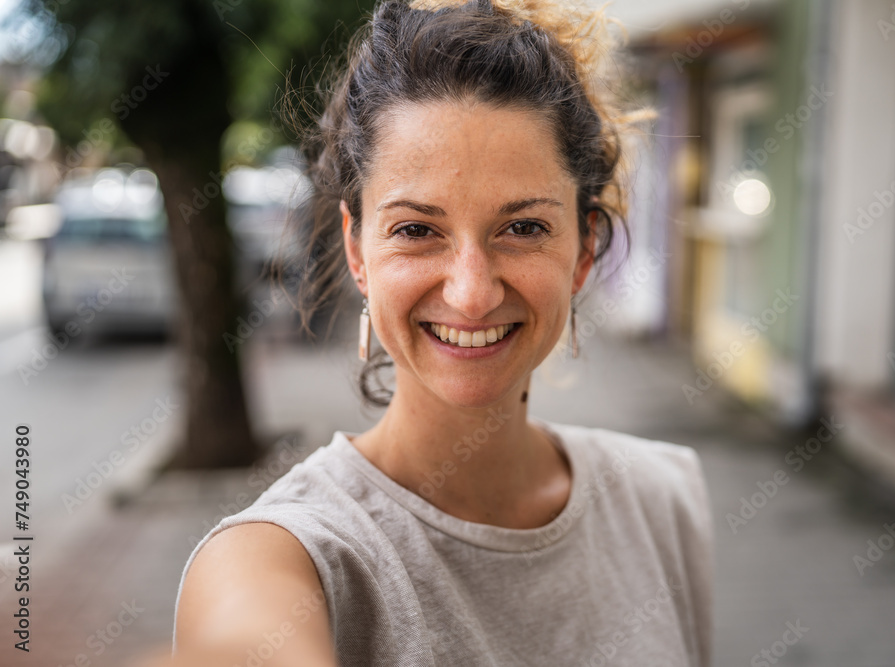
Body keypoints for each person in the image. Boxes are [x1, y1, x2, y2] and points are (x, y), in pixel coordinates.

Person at [171, 0, 714, 665]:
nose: (471, 292)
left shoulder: (663, 495)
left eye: (523, 227)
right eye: (416, 229)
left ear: (583, 250)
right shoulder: (282, 556)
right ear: (358, 252)